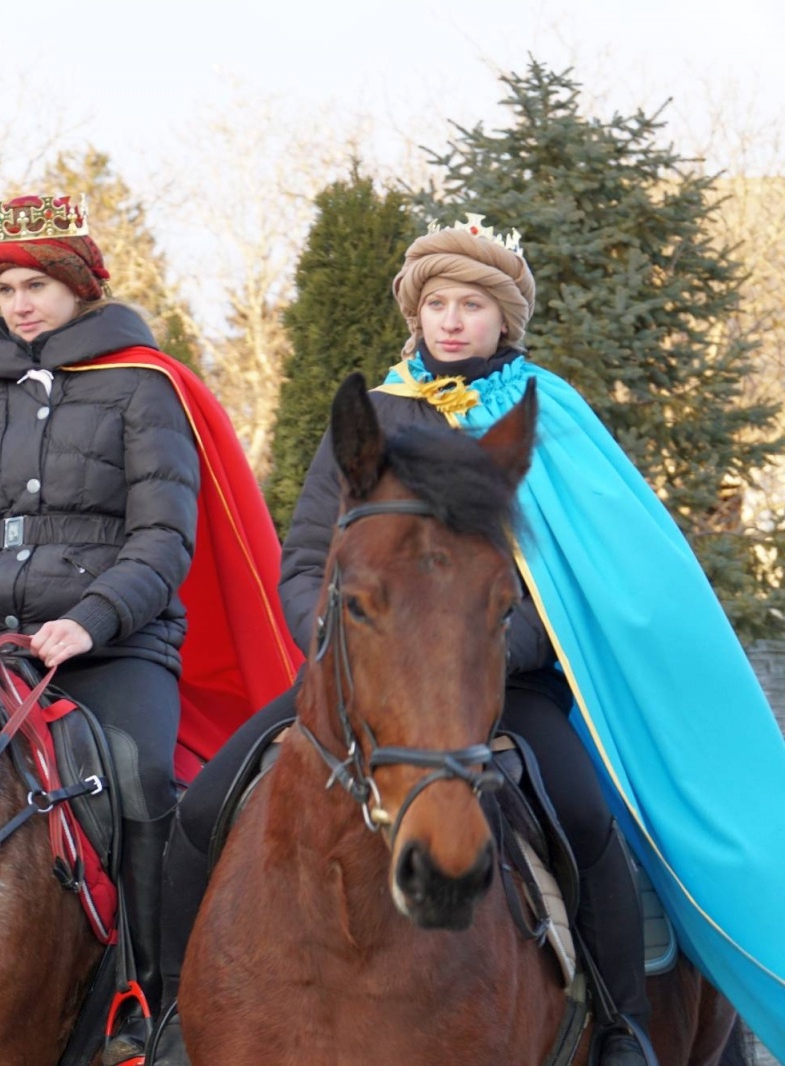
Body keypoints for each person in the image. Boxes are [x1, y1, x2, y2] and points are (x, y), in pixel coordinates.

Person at [157, 214, 663, 1064]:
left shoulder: (551, 426)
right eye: (437, 303)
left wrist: (477, 657)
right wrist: (344, 650)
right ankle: (172, 1016)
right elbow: (309, 556)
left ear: (506, 320)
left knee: (582, 814)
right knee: (200, 807)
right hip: (363, 673)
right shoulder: (374, 418)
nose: (453, 320)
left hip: (502, 685)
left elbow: (567, 590)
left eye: (472, 304)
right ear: (415, 314)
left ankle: (620, 1027)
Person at [0, 195, 298, 1065]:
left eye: (38, 283)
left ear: (79, 287)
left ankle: (156, 1006)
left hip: (116, 644)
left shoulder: (146, 387)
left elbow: (165, 537)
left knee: (138, 780)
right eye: (7, 286)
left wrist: (88, 623)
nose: (20, 302)